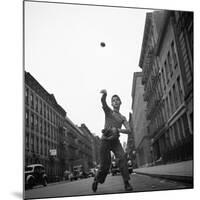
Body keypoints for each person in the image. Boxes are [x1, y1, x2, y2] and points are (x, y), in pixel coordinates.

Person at [92, 89, 133, 192]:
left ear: (120, 102)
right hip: (105, 140)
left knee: (122, 157)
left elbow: (129, 130)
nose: (115, 101)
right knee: (105, 165)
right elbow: (103, 103)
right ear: (112, 103)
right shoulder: (109, 112)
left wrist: (118, 129)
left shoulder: (122, 117)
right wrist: (104, 95)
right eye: (113, 100)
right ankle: (97, 179)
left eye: (117, 100)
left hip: (115, 142)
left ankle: (126, 182)